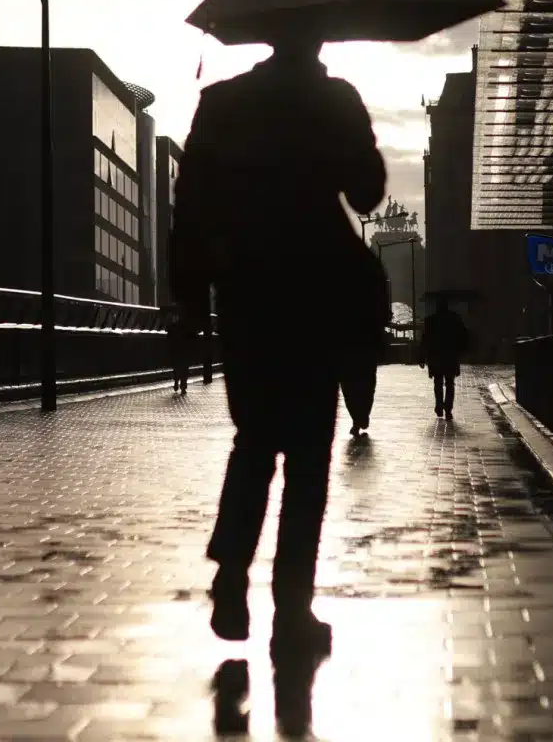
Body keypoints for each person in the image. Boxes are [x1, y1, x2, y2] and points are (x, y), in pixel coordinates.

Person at [170, 32, 386, 657]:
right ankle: (292, 607)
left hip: (247, 292)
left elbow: (192, 208)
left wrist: (189, 294)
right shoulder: (336, 99)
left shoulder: (222, 103)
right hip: (318, 291)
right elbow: (368, 193)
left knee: (255, 439)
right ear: (323, 37)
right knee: (309, 457)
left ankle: (232, 572)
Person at [340, 250, 391, 436]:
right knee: (364, 386)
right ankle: (360, 416)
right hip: (362, 349)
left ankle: (358, 417)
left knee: (352, 387)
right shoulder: (373, 273)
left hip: (351, 349)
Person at [418, 296, 471, 419]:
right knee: (450, 383)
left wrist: (421, 357)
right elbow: (464, 336)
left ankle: (439, 406)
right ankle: (448, 409)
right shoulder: (455, 319)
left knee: (438, 382)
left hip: (435, 356)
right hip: (450, 356)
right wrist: (461, 351)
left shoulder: (430, 321)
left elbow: (424, 341)